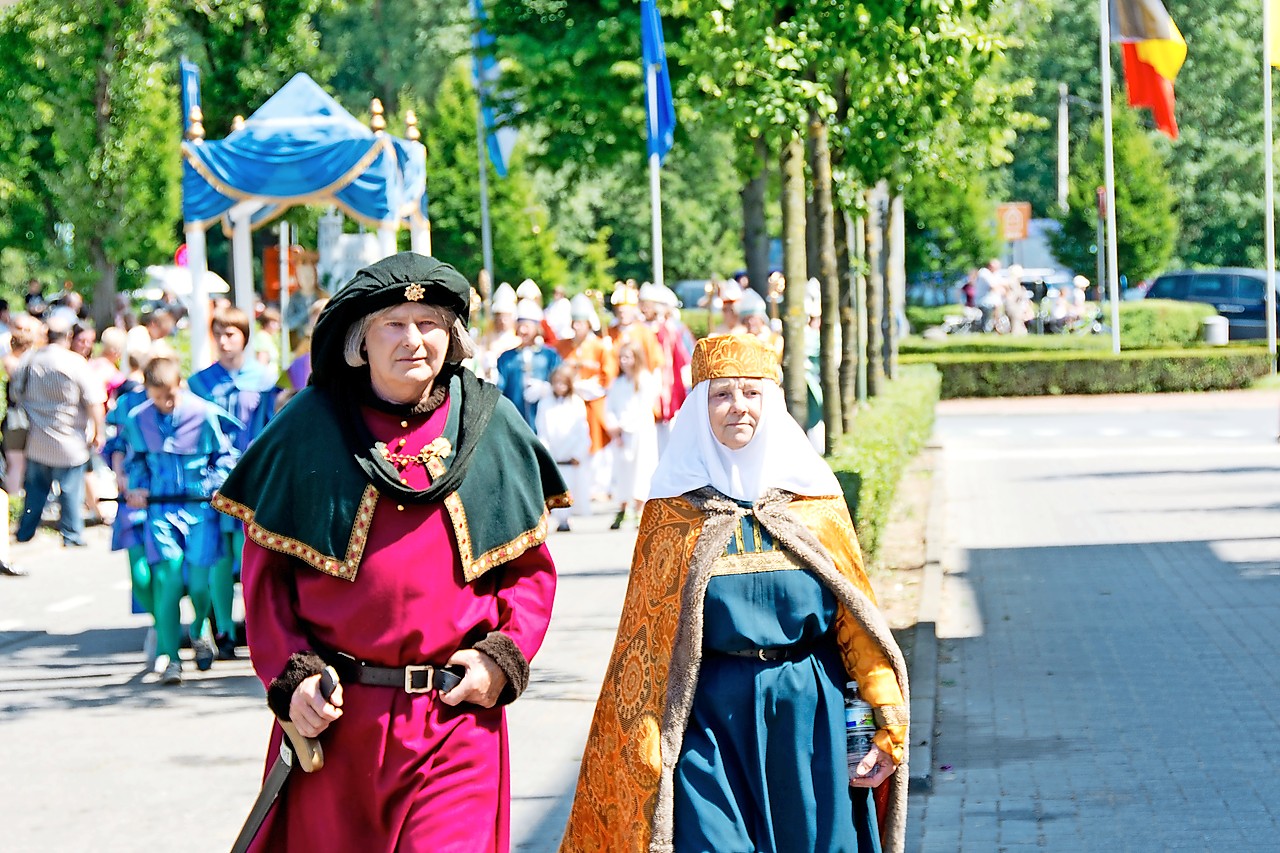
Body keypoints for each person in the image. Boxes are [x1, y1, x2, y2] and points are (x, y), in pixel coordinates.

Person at [213, 252, 565, 852]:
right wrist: (292, 678)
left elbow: (529, 575)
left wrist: (499, 660)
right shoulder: (306, 428)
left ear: (451, 338)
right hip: (337, 721)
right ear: (360, 342)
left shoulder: (492, 425)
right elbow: (265, 581)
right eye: (393, 325)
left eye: (428, 322)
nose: (413, 340)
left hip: (456, 720)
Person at [560, 334, 911, 853]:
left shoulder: (813, 501)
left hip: (808, 712)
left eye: (751, 393)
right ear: (700, 407)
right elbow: (646, 641)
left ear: (771, 403)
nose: (737, 407)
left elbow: (854, 622)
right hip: (709, 715)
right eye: (721, 394)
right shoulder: (673, 510)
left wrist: (886, 717)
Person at [122, 357, 238, 684]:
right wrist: (137, 488)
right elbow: (136, 461)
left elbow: (225, 458)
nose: (166, 403)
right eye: (158, 397)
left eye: (171, 395)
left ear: (180, 385)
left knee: (200, 586)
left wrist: (217, 486)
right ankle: (171, 658)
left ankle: (201, 626)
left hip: (200, 508)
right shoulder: (138, 419)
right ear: (148, 392)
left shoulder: (203, 414)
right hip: (160, 510)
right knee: (169, 582)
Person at [188, 306, 281, 661]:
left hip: (252, 478)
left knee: (253, 555)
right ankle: (224, 629)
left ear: (245, 336)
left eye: (232, 333)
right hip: (211, 481)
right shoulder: (199, 383)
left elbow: (272, 429)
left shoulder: (265, 380)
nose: (225, 341)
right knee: (218, 556)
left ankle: (256, 630)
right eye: (219, 333)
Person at [11, 316, 107, 547]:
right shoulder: (74, 362)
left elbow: (15, 394)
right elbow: (94, 400)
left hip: (36, 438)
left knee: (35, 490)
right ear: (69, 336)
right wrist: (98, 432)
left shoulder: (29, 360)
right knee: (71, 491)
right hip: (69, 438)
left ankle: (25, 533)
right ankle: (72, 535)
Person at [605, 341, 659, 530]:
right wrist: (613, 427)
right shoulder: (617, 383)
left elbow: (643, 407)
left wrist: (624, 426)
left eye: (627, 357)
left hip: (639, 432)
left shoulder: (645, 379)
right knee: (622, 471)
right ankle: (622, 506)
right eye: (621, 357)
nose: (623, 361)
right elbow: (609, 406)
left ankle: (639, 508)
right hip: (621, 435)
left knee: (640, 470)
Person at [536, 365, 591, 533]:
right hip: (554, 455)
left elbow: (582, 430)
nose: (560, 387)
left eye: (563, 383)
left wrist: (578, 453)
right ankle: (557, 518)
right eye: (556, 383)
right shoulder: (545, 403)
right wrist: (545, 453)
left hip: (571, 456)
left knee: (572, 486)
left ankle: (567, 518)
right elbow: (542, 429)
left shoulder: (576, 402)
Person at [495, 299, 562, 429]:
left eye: (527, 326)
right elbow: (499, 389)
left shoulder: (550, 355)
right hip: (514, 422)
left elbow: (563, 381)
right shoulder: (506, 358)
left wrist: (547, 388)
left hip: (545, 422)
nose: (522, 330)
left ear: (537, 328)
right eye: (520, 325)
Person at [2, 315, 46, 496]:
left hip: (19, 418)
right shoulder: (15, 364)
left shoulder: (12, 361)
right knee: (17, 464)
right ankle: (13, 501)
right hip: (17, 418)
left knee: (19, 463)